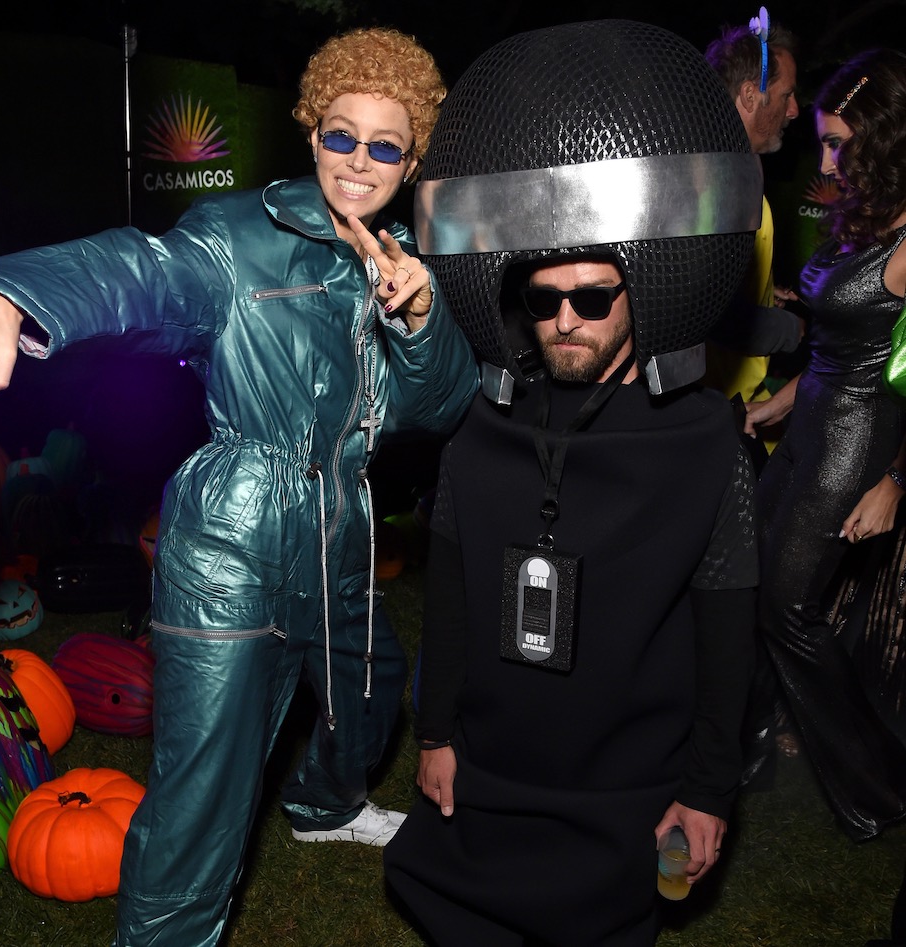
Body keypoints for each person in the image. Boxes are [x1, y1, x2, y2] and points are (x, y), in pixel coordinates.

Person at [0, 26, 478, 946]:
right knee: (202, 790)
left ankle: (324, 805)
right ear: (312, 132)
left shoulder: (398, 260)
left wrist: (416, 317)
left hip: (340, 521)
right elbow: (142, 269)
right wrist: (14, 299)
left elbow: (439, 405)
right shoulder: (236, 237)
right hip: (233, 538)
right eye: (341, 135)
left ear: (411, 159)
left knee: (371, 688)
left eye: (384, 145)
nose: (359, 161)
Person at [383, 21, 760, 946]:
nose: (565, 321)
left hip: (626, 784)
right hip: (496, 769)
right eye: (543, 298)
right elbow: (453, 591)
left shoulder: (706, 442)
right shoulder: (483, 425)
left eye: (593, 298)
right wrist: (436, 736)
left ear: (645, 292)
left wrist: (709, 790)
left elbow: (727, 632)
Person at [745, 47, 906, 841]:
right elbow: (837, 335)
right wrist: (782, 395)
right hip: (812, 415)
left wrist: (898, 482)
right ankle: (747, 750)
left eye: (842, 143)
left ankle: (876, 787)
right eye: (824, 140)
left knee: (790, 609)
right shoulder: (863, 211)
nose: (828, 158)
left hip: (857, 438)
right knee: (752, 580)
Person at [703, 15, 803, 412]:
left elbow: (723, 272)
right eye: (786, 95)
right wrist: (788, 330)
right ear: (750, 96)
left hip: (739, 395)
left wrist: (762, 290)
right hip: (718, 403)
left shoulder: (746, 164)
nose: (794, 109)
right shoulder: (717, 178)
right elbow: (706, 309)